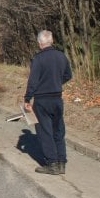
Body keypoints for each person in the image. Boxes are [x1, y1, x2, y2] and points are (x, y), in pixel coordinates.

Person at [24, 29, 72, 175]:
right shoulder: (61, 56)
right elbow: (68, 75)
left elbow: (33, 81)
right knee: (58, 130)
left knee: (45, 131)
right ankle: (61, 162)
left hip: (42, 99)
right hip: (57, 97)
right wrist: (57, 82)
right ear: (52, 41)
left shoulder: (38, 59)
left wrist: (27, 98)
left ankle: (51, 163)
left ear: (40, 43)